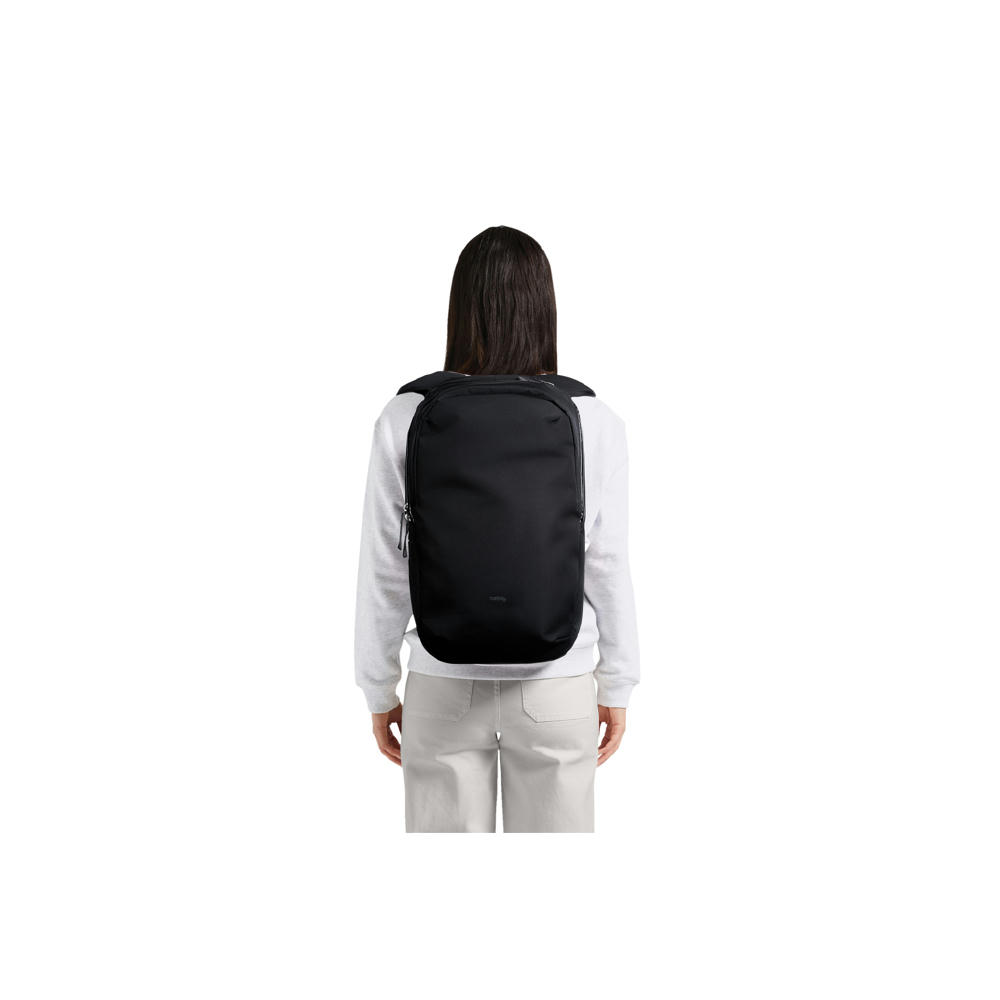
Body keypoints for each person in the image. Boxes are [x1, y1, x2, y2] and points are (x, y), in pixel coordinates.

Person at [354, 226, 640, 833]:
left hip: (442, 682)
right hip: (559, 682)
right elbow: (606, 563)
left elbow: (385, 566)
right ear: (544, 306)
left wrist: (378, 688)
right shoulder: (593, 417)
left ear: (460, 307)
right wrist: (617, 682)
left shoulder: (406, 414)